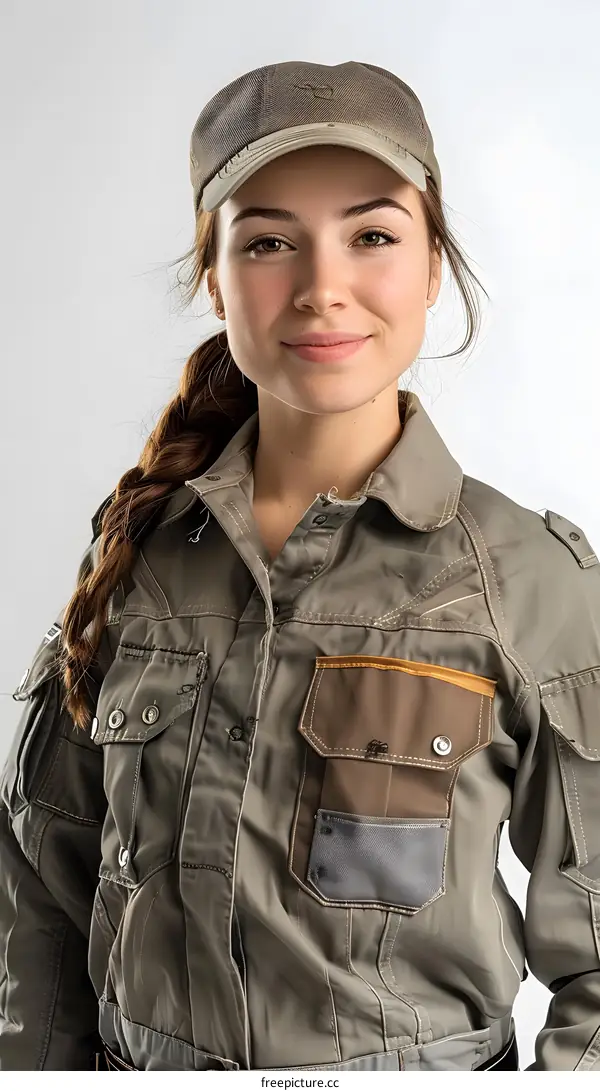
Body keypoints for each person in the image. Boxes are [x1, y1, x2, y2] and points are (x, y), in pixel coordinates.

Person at [1, 59, 599, 1074]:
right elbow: (38, 892)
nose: (323, 288)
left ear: (433, 266)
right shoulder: (141, 554)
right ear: (215, 277)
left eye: (372, 236)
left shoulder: (529, 583)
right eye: (269, 242)